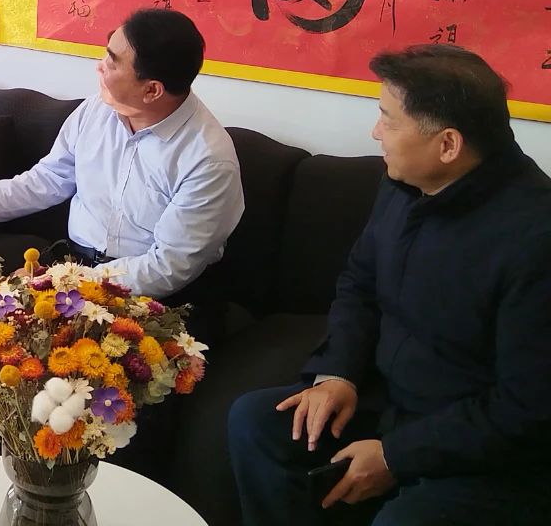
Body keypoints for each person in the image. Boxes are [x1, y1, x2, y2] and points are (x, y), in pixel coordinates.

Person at [227, 44, 551, 526]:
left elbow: (526, 409)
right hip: (391, 398)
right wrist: (337, 373)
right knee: (257, 423)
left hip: (480, 444)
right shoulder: (405, 183)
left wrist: (397, 455)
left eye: (388, 119)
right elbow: (360, 283)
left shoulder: (535, 238)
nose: (375, 132)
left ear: (447, 145)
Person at [0, 7, 244, 306]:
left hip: (152, 292)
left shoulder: (207, 160)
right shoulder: (96, 111)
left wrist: (65, 283)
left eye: (112, 62)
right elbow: (47, 180)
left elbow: (169, 266)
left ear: (152, 90)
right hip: (73, 262)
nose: (99, 68)